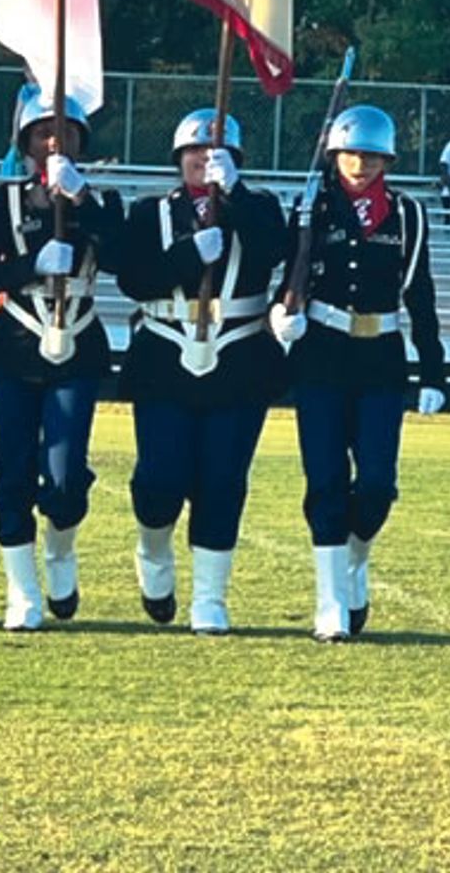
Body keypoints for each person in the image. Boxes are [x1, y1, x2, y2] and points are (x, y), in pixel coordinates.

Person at [270, 104, 446, 642]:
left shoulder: (407, 215)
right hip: (320, 355)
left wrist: (433, 371)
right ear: (334, 154)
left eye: (372, 156)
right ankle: (330, 604)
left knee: (375, 486)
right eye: (352, 154)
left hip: (381, 360)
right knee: (324, 481)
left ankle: (354, 560)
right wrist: (283, 312)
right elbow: (288, 269)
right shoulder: (310, 206)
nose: (361, 165)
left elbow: (420, 294)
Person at [115, 109, 287, 635]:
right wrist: (189, 254)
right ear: (177, 158)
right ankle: (154, 551)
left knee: (223, 481)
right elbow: (134, 280)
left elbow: (273, 251)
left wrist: (231, 197)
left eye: (215, 152)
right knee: (159, 478)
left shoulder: (259, 207)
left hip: (238, 358)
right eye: (193, 151)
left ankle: (209, 598)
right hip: (166, 357)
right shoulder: (150, 212)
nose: (202, 160)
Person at [0, 87, 124, 631]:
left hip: (77, 344)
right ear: (27, 141)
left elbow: (128, 260)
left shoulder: (101, 201)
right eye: (43, 131)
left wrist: (81, 203)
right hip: (15, 345)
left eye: (66, 132)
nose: (54, 140)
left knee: (63, 477)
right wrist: (28, 265)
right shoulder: (3, 201)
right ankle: (21, 590)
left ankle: (60, 549)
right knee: (13, 474)